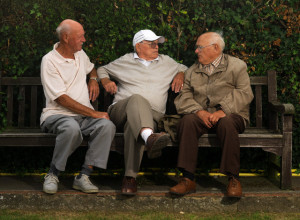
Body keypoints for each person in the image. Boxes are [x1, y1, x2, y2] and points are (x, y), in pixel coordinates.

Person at [97, 29, 188, 195]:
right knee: (137, 99)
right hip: (121, 110)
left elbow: (185, 68)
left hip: (152, 116)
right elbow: (101, 69)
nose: (156, 47)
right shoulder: (125, 61)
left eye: (157, 44)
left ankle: (130, 178)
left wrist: (180, 74)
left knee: (134, 127)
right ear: (138, 47)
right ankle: (149, 136)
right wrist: (105, 80)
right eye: (151, 44)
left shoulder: (166, 62)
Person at [169, 32, 254, 197]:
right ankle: (187, 179)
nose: (196, 51)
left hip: (232, 114)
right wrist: (199, 112)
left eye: (199, 47)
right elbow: (183, 97)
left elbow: (244, 93)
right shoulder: (192, 70)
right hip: (203, 115)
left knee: (227, 123)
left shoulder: (237, 66)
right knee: (187, 122)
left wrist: (223, 110)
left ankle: (233, 179)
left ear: (215, 48)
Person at [40, 19, 116, 194]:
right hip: (57, 115)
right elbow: (61, 99)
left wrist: (93, 79)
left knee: (107, 126)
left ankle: (84, 175)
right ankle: (53, 173)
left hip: (83, 117)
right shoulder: (49, 61)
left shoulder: (80, 54)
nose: (84, 40)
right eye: (80, 36)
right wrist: (94, 113)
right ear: (66, 37)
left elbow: (92, 68)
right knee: (71, 128)